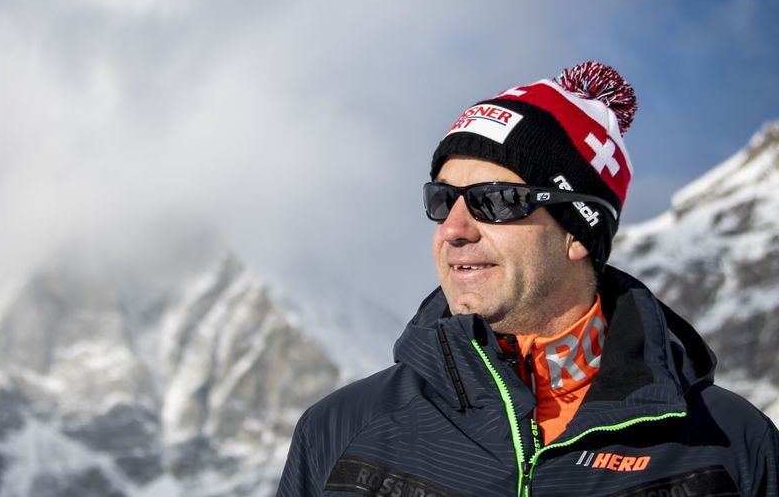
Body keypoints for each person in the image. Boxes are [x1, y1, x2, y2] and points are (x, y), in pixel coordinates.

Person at [277, 62, 779, 497]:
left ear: (577, 232)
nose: (453, 229)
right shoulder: (341, 430)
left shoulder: (732, 445)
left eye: (495, 200)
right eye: (442, 199)